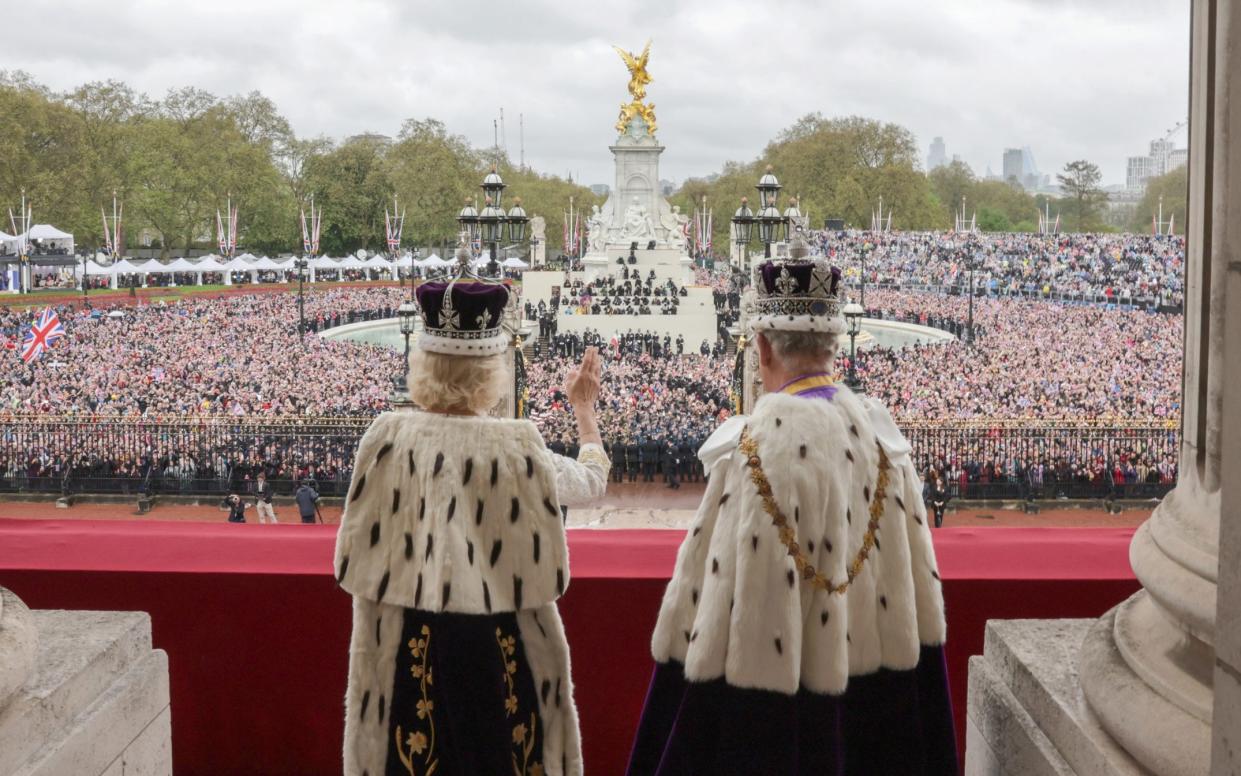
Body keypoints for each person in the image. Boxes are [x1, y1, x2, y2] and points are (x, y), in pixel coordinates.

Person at [627, 246, 956, 775]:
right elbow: (919, 599)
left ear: (761, 346)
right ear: (834, 345)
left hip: (773, 713)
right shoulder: (883, 441)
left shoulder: (753, 450)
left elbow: (715, 609)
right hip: (877, 704)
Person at [334, 251, 607, 776]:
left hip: (404, 646)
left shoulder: (385, 437)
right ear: (492, 370)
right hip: (500, 645)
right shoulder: (518, 446)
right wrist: (584, 413)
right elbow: (591, 481)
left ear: (424, 365)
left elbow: (352, 558)